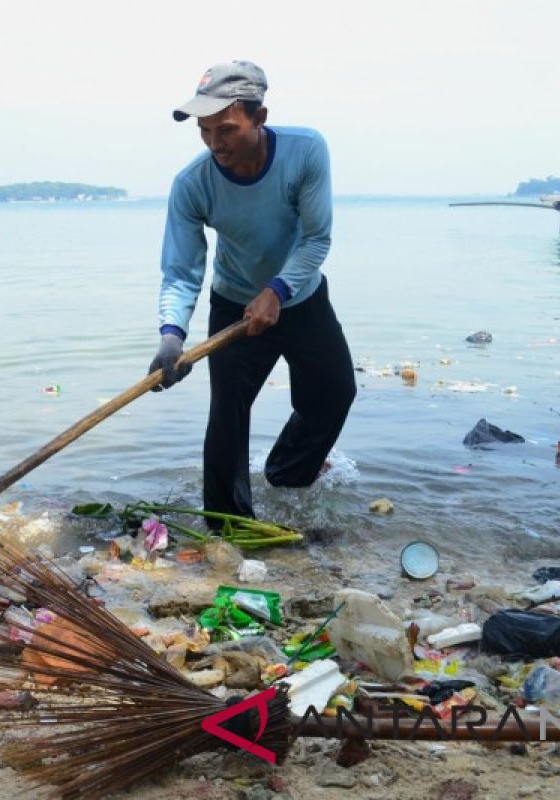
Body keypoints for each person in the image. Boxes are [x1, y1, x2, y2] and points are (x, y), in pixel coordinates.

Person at [147, 59, 356, 524]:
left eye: (226, 129)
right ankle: (227, 525)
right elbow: (182, 270)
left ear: (259, 118)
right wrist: (171, 334)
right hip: (235, 307)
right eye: (205, 131)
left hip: (301, 299)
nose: (215, 143)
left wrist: (278, 290)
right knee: (228, 417)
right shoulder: (191, 184)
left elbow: (316, 237)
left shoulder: (305, 151)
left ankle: (287, 474)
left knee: (335, 392)